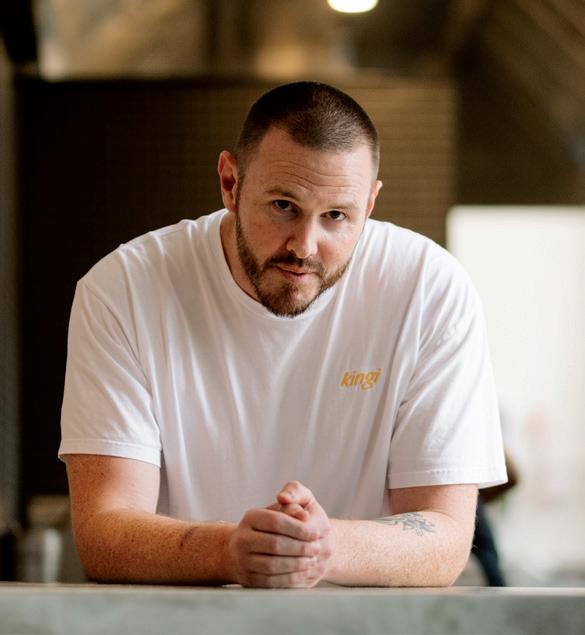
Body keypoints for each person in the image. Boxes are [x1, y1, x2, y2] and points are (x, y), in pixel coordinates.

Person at [59, 81, 507, 588]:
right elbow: (104, 533)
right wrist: (229, 551)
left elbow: (445, 538)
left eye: (336, 215)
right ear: (230, 183)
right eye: (283, 206)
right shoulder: (124, 289)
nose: (305, 246)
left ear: (370, 203)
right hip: (180, 621)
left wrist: (321, 547)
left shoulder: (428, 289)